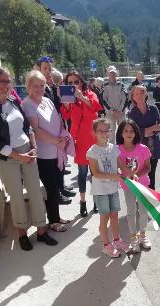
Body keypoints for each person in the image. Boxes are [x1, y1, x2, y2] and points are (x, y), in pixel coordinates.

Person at [0, 66, 57, 251]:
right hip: (8, 157)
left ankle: (41, 230)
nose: (7, 85)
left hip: (27, 151)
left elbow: (27, 127)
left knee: (36, 192)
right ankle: (21, 233)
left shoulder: (13, 101)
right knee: (16, 197)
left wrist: (34, 146)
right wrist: (18, 156)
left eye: (8, 82)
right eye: (3, 81)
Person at [21, 70, 74, 233]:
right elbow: (35, 130)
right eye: (35, 85)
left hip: (57, 151)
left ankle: (56, 216)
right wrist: (56, 142)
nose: (39, 89)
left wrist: (63, 139)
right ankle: (53, 221)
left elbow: (58, 122)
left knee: (56, 186)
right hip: (43, 154)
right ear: (28, 86)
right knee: (51, 188)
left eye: (42, 85)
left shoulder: (47, 100)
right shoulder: (27, 104)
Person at [87, 118, 134, 257]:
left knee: (114, 215)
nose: (103, 133)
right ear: (94, 133)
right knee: (104, 217)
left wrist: (130, 173)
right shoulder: (93, 151)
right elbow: (95, 173)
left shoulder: (113, 148)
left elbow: (121, 165)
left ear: (110, 132)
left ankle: (117, 240)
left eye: (106, 130)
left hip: (113, 189)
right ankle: (106, 245)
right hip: (100, 191)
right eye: (100, 131)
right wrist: (115, 176)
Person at [60, 70, 103, 217]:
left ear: (81, 82)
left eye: (76, 82)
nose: (73, 85)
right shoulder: (69, 98)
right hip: (78, 140)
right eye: (70, 83)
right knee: (82, 173)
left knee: (95, 173)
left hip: (92, 139)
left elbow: (96, 108)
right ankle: (83, 202)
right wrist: (66, 103)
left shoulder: (90, 94)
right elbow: (65, 115)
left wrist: (81, 97)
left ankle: (97, 201)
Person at [116, 119, 152, 252]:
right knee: (131, 212)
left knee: (143, 211)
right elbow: (116, 167)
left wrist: (138, 175)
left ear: (136, 133)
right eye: (125, 131)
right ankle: (133, 238)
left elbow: (148, 167)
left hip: (143, 185)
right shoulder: (117, 150)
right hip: (127, 186)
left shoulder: (143, 148)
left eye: (131, 131)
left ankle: (143, 236)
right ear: (120, 133)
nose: (129, 133)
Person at [127, 85, 160, 190]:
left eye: (141, 93)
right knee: (140, 175)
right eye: (136, 94)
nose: (139, 96)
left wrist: (145, 131)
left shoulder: (153, 109)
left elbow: (159, 127)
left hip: (154, 148)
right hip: (140, 150)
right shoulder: (131, 114)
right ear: (133, 97)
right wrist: (151, 128)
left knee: (152, 176)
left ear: (145, 94)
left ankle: (152, 201)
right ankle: (141, 200)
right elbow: (133, 133)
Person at [102, 66, 127, 143]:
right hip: (110, 113)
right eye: (110, 73)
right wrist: (112, 110)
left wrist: (119, 110)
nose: (112, 75)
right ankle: (111, 150)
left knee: (123, 131)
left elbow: (125, 98)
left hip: (121, 112)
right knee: (110, 132)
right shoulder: (104, 85)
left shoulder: (121, 84)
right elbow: (103, 100)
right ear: (108, 74)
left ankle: (122, 148)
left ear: (116, 74)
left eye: (114, 73)